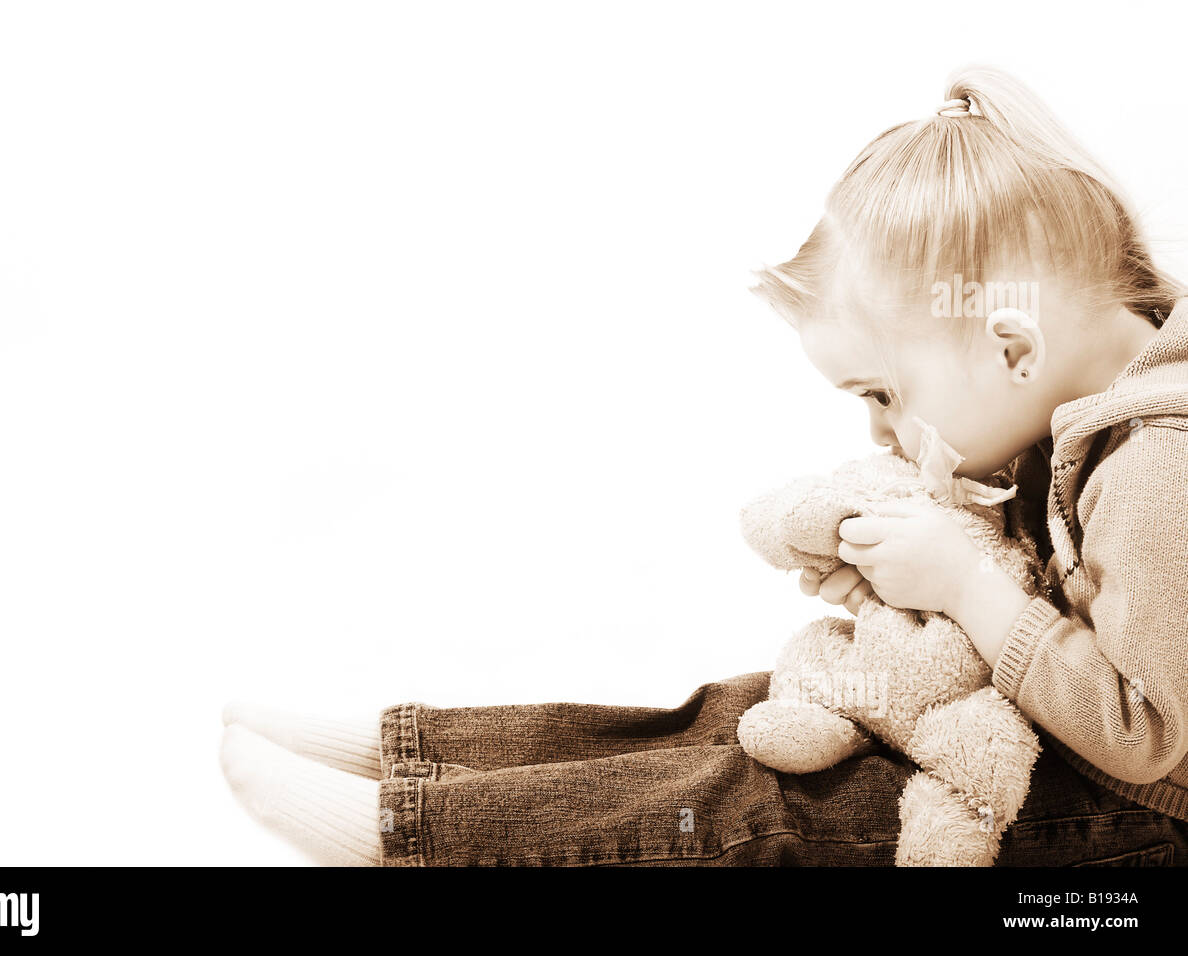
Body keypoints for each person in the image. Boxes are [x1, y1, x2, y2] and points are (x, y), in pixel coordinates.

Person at [220, 66, 1188, 866]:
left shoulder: (1156, 472)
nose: (879, 434)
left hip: (1133, 822)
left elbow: (1146, 740)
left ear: (1011, 349)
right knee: (737, 713)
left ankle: (407, 837)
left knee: (774, 804)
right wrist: (918, 586)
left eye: (883, 393)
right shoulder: (1079, 419)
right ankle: (406, 760)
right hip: (1045, 750)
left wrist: (968, 586)